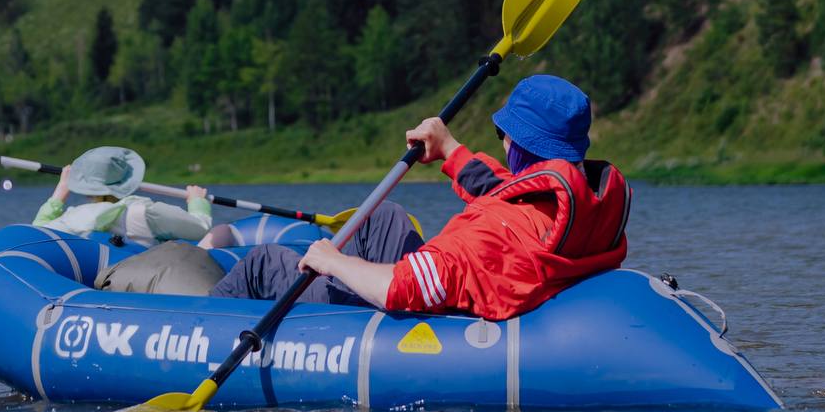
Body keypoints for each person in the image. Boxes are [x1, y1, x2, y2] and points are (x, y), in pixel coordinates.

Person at [209, 75, 632, 320]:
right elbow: (504, 191)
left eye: (504, 134)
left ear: (520, 143)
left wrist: (331, 261)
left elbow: (400, 287)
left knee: (263, 263)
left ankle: (193, 330)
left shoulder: (487, 237)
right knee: (386, 216)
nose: (500, 141)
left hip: (406, 309)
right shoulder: (577, 210)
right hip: (488, 274)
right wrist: (448, 149)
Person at [33, 146, 213, 246]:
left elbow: (36, 232)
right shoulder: (146, 211)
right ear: (128, 182)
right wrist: (197, 202)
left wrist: (61, 191)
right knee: (220, 234)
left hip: (101, 287)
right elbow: (200, 227)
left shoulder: (73, 219)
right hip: (146, 284)